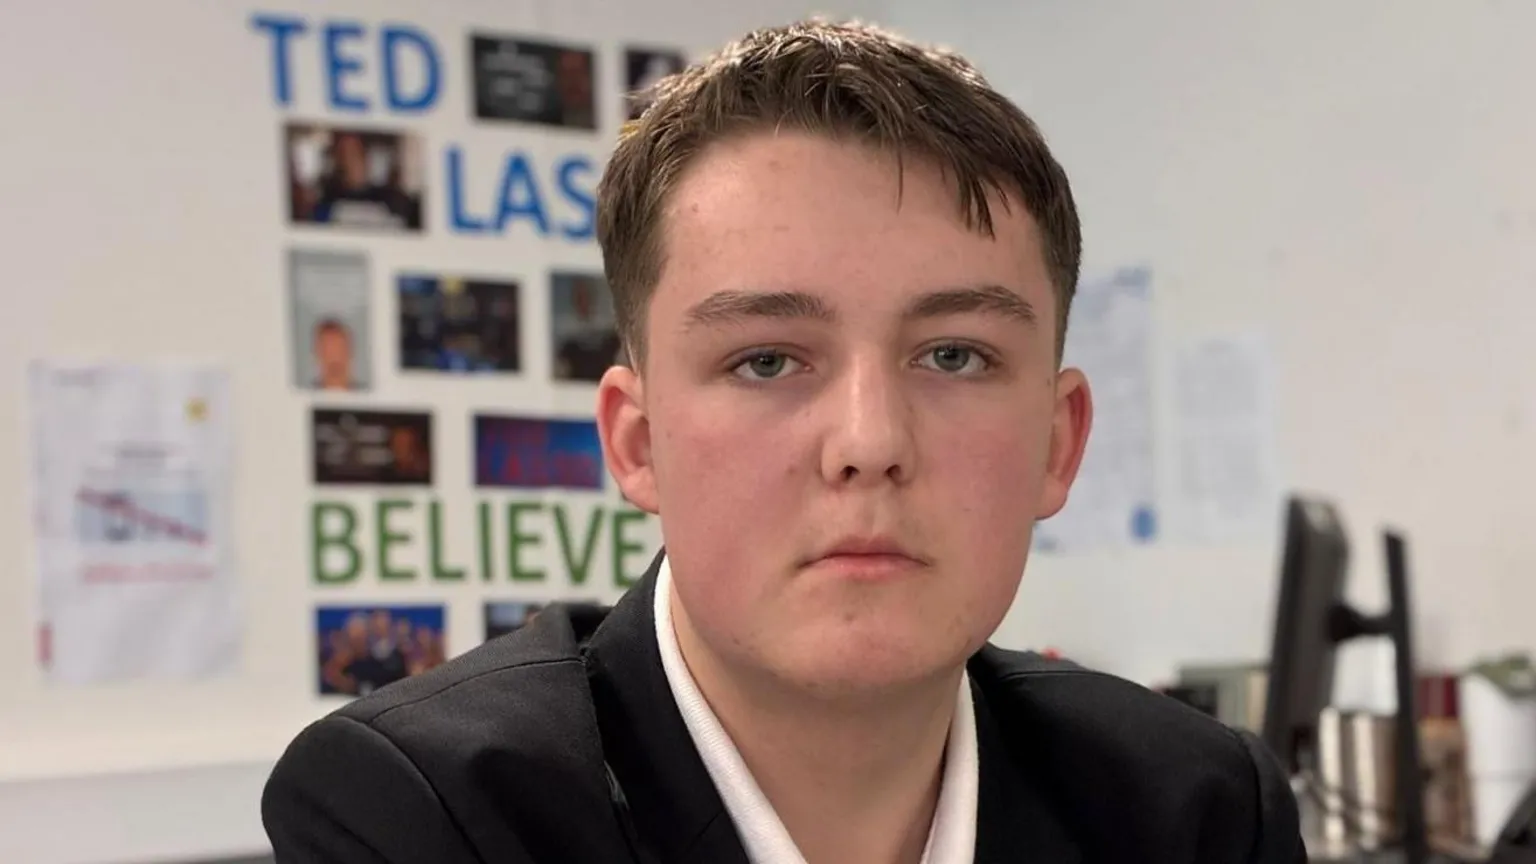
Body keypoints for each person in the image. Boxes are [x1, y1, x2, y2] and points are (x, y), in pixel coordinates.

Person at [262, 19, 1305, 864]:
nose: (868, 443)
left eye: (954, 357)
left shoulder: (1197, 809)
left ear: (1057, 443)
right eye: (766, 360)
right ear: (637, 445)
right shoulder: (427, 814)